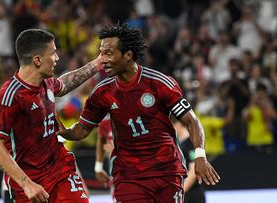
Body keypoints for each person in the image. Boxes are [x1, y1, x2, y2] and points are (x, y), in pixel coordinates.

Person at [58, 23, 220, 203]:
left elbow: (191, 121)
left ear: (128, 55)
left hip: (166, 172)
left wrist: (200, 155)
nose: (103, 60)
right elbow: (82, 129)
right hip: (128, 176)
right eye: (101, 53)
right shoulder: (101, 92)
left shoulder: (159, 83)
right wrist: (64, 131)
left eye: (109, 54)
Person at [0, 28, 102, 203]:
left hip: (60, 171)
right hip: (30, 184)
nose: (57, 58)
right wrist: (26, 183)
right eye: (53, 53)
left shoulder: (46, 82)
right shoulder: (11, 96)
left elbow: (65, 83)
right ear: (37, 60)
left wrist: (98, 63)